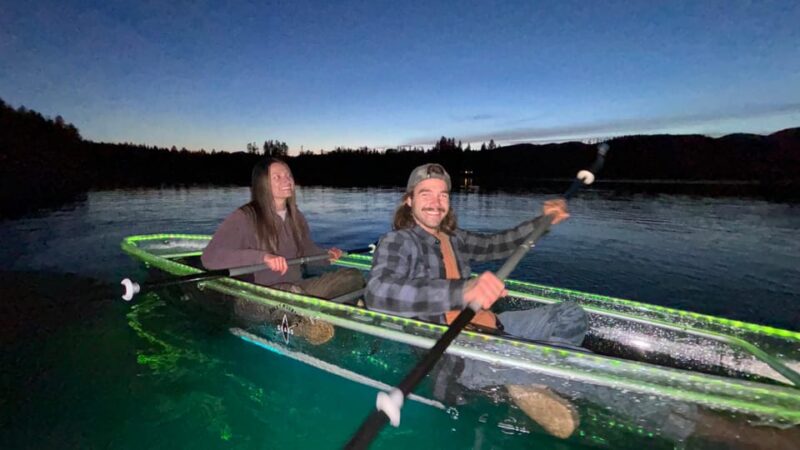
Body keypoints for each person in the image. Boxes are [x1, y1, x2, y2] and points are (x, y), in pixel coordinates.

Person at [365, 162, 588, 438]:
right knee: (584, 364)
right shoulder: (398, 241)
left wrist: (542, 222)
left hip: (493, 324)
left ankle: (526, 379)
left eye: (443, 194)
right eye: (425, 194)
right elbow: (378, 292)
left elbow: (498, 243)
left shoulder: (453, 238)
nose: (436, 202)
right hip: (459, 352)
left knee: (572, 314)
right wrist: (463, 291)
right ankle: (527, 374)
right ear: (409, 201)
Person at [202, 157, 365, 343]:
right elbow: (210, 257)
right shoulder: (245, 216)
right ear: (262, 183)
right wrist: (262, 257)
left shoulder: (296, 216)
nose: (287, 180)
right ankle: (309, 329)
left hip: (297, 290)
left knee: (353, 276)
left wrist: (327, 256)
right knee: (289, 293)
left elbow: (305, 250)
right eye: (277, 177)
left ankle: (332, 315)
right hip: (255, 298)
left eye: (288, 175)